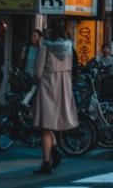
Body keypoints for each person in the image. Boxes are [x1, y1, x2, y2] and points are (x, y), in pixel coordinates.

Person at [32, 21, 78, 175]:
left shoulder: (45, 47)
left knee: (45, 126)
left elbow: (38, 72)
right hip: (64, 88)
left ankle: (46, 162)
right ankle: (56, 151)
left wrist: (38, 80)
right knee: (51, 125)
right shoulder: (69, 48)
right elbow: (71, 69)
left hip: (48, 87)